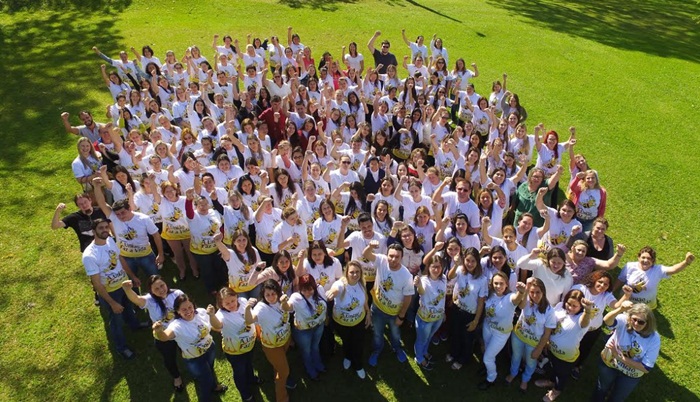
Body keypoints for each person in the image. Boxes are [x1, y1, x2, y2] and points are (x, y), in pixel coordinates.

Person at [82, 218, 143, 359]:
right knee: (116, 322)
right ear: (93, 231)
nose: (105, 230)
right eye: (101, 228)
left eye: (106, 227)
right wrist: (112, 303)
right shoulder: (90, 255)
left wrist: (132, 276)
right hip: (111, 293)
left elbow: (120, 259)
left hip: (124, 284)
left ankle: (135, 326)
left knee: (129, 307)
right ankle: (121, 348)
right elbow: (97, 284)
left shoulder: (110, 240)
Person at [153, 293, 227, 402]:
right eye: (184, 309)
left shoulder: (201, 312)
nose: (188, 311)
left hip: (210, 348)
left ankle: (214, 386)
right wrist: (159, 331)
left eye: (190, 307)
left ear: (194, 306)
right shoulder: (176, 325)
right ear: (177, 311)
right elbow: (165, 337)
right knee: (205, 379)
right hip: (195, 358)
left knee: (210, 370)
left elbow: (217, 326)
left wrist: (212, 315)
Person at [92, 178, 165, 280]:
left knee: (155, 278)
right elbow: (101, 203)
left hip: (145, 254)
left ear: (130, 209)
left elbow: (156, 235)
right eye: (118, 214)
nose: (121, 216)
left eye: (123, 213)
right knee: (130, 280)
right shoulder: (114, 217)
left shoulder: (143, 219)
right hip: (125, 257)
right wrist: (96, 187)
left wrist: (160, 254)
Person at [122, 276, 185, 391]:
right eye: (156, 289)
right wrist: (127, 290)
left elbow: (187, 308)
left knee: (186, 352)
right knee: (169, 358)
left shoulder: (177, 293)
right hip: (163, 336)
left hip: (181, 332)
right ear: (151, 291)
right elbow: (136, 299)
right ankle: (177, 378)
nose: (161, 290)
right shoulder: (150, 300)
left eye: (162, 285)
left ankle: (194, 369)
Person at [592, 302, 660, 402]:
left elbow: (646, 368)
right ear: (629, 317)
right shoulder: (624, 320)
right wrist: (620, 309)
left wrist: (620, 357)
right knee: (601, 389)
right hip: (610, 363)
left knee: (617, 398)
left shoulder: (654, 338)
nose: (636, 323)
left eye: (641, 322)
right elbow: (607, 321)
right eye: (634, 319)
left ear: (648, 323)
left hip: (631, 374)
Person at [570, 270, 632, 380]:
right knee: (572, 345)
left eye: (606, 284)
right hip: (577, 327)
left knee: (585, 348)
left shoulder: (606, 295)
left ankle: (577, 366)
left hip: (593, 330)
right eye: (600, 282)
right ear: (594, 280)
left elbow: (615, 305)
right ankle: (567, 362)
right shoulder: (580, 289)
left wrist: (626, 295)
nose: (602, 285)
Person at [535, 289, 594, 402]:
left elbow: (584, 322)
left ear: (581, 307)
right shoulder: (560, 307)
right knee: (553, 368)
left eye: (575, 306)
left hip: (566, 357)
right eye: (569, 303)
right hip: (552, 350)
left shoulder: (582, 318)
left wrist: (587, 310)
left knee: (562, 374)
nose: (570, 308)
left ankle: (557, 389)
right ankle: (551, 381)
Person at [363, 241, 414, 366]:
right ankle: (377, 350)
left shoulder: (406, 275)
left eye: (397, 257)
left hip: (394, 313)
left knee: (395, 334)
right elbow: (366, 254)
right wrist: (370, 246)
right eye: (391, 256)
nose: (393, 259)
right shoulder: (381, 260)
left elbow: (408, 297)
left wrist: (401, 316)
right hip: (377, 309)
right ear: (387, 255)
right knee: (377, 334)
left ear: (402, 258)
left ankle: (397, 348)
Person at [245, 279, 295, 402]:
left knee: (279, 366)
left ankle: (277, 373)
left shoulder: (281, 300)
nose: (271, 297)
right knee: (284, 371)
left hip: (285, 340)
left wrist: (285, 302)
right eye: (267, 295)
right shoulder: (261, 308)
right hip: (271, 346)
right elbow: (250, 320)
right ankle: (282, 397)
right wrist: (247, 308)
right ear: (263, 295)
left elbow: (289, 310)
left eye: (273, 293)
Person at [478, 272, 526, 390]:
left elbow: (517, 299)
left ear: (506, 285)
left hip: (501, 333)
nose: (498, 286)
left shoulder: (509, 298)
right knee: (488, 351)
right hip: (488, 327)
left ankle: (491, 378)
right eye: (495, 283)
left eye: (501, 284)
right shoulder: (490, 294)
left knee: (487, 357)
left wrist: (521, 292)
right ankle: (488, 367)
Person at [506, 277, 555, 393]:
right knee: (516, 357)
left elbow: (547, 333)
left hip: (534, 342)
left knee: (531, 362)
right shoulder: (527, 300)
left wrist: (539, 349)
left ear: (543, 292)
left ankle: (525, 379)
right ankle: (513, 373)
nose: (534, 295)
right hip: (518, 336)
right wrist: (526, 291)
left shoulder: (549, 311)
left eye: (538, 292)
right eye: (532, 292)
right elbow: (521, 307)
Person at [326, 261, 371, 379]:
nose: (355, 275)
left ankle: (358, 365)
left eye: (357, 272)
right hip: (342, 323)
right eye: (352, 272)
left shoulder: (362, 283)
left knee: (358, 344)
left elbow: (365, 300)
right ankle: (347, 356)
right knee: (346, 341)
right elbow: (336, 288)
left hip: (358, 321)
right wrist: (332, 292)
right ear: (346, 273)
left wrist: (368, 313)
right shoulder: (341, 284)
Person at [214, 287, 259, 402]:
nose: (231, 304)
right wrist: (211, 316)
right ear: (221, 304)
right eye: (227, 303)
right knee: (239, 372)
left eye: (233, 301)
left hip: (249, 345)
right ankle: (246, 395)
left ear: (236, 297)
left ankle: (251, 379)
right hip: (235, 352)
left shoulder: (243, 302)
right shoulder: (221, 315)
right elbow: (217, 326)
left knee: (249, 364)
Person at [446, 247, 487, 370]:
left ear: (477, 262)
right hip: (457, 309)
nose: (469, 264)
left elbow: (481, 302)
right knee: (455, 333)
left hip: (470, 313)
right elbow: (450, 276)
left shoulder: (482, 280)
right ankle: (454, 353)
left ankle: (463, 358)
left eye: (473, 261)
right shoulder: (460, 270)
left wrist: (476, 320)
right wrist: (456, 264)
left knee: (467, 338)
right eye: (467, 260)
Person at [614, 246, 695, 309]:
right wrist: (611, 291)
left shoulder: (658, 270)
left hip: (647, 305)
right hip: (628, 302)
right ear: (638, 257)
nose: (645, 260)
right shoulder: (630, 266)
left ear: (653, 261)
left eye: (649, 258)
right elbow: (621, 279)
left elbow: (673, 269)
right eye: (643, 257)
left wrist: (686, 262)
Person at [280, 274, 327, 381]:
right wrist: (283, 302)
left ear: (314, 287)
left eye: (310, 289)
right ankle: (310, 369)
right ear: (300, 289)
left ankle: (318, 364)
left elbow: (326, 301)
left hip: (319, 326)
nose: (307, 293)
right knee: (306, 351)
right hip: (303, 331)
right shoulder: (296, 297)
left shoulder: (320, 289)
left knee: (315, 346)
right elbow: (287, 308)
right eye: (304, 290)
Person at [413, 255, 447, 370]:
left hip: (438, 317)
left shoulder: (444, 278)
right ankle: (419, 358)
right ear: (429, 267)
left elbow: (443, 299)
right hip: (425, 319)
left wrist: (444, 312)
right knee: (422, 339)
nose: (436, 270)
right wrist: (418, 285)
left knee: (429, 337)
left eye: (439, 267)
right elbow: (421, 291)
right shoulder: (424, 280)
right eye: (433, 267)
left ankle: (425, 352)